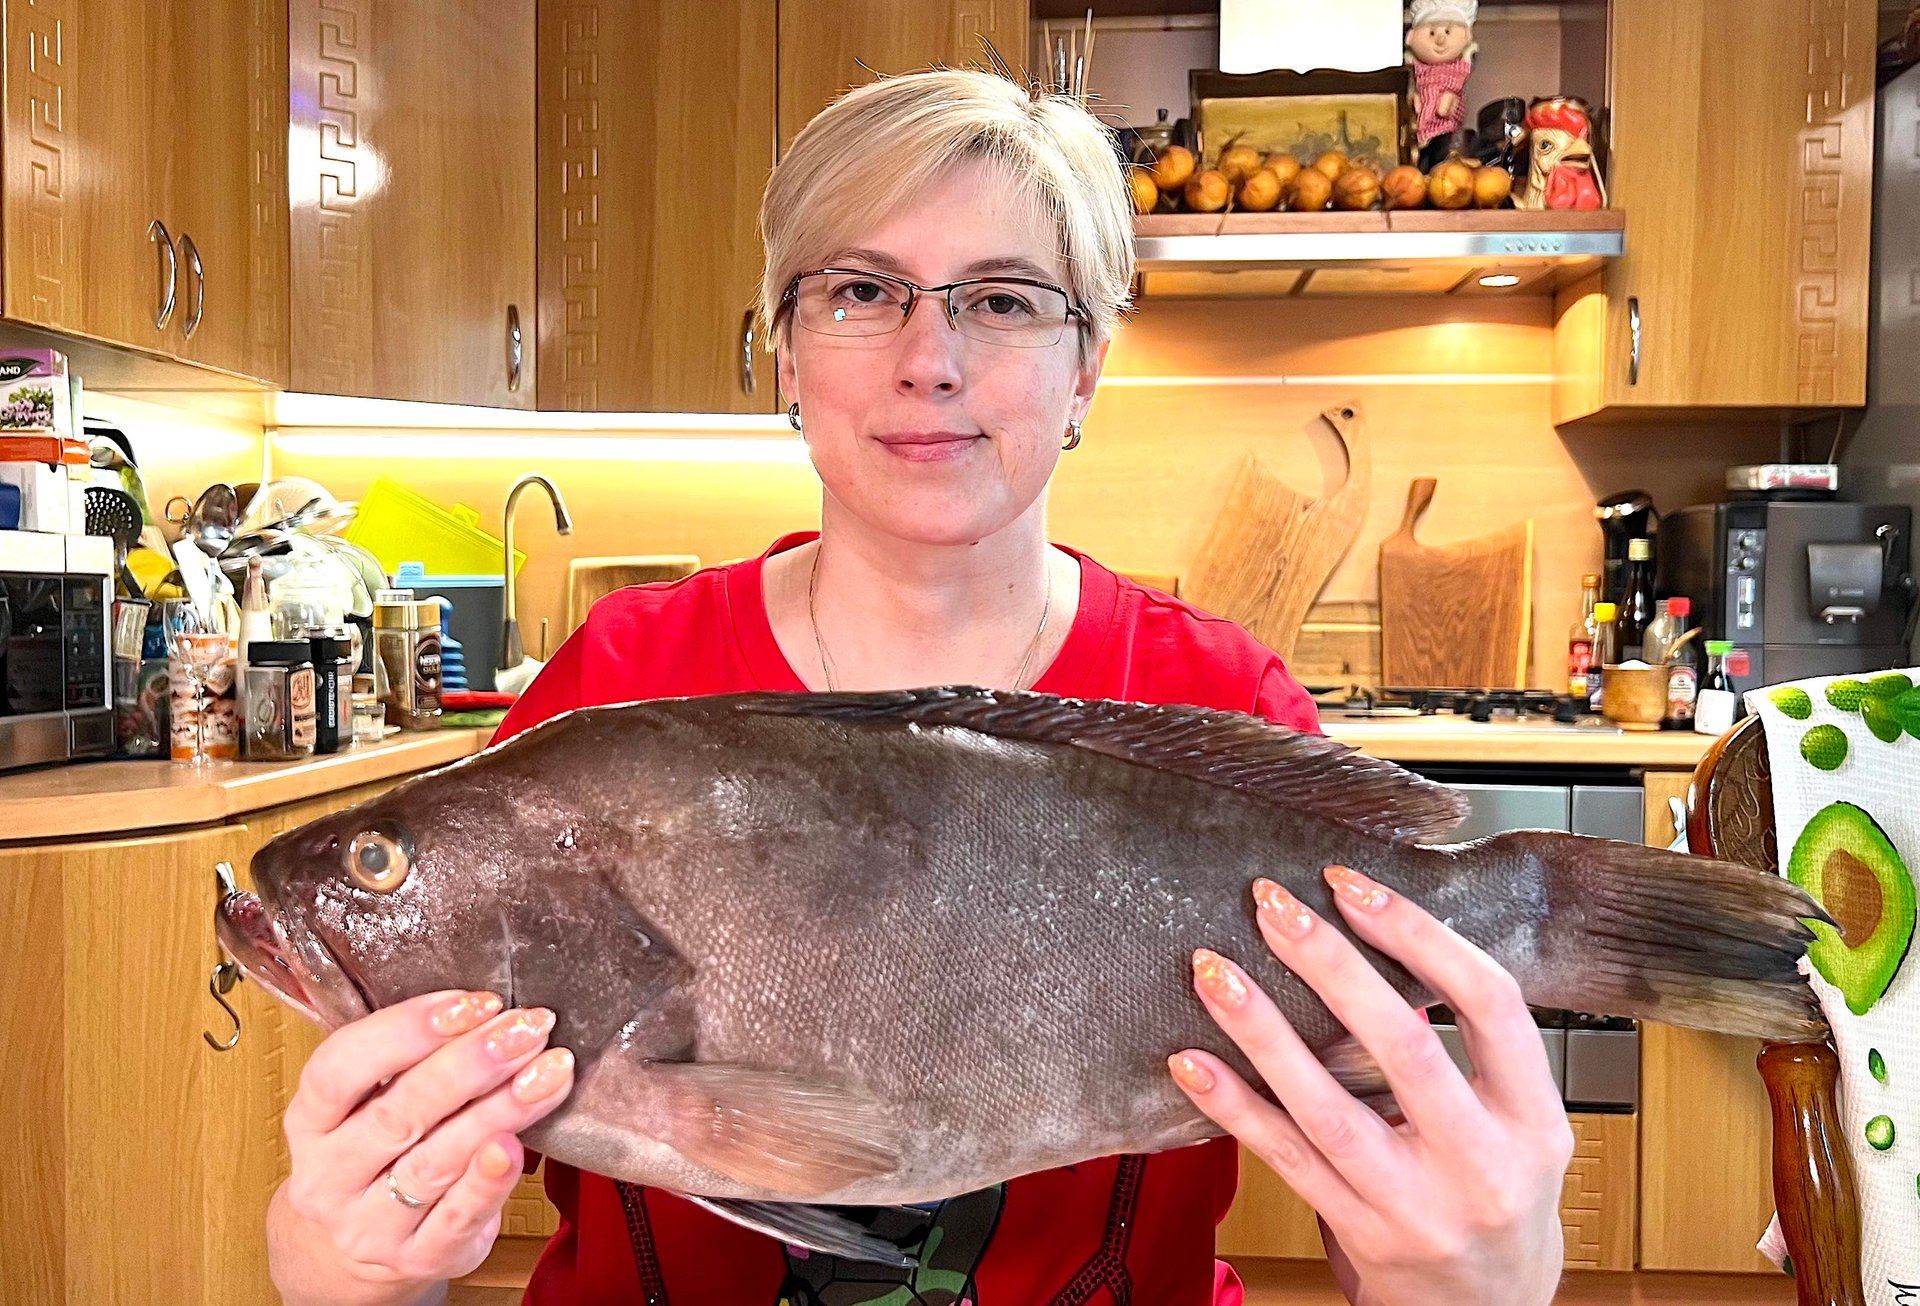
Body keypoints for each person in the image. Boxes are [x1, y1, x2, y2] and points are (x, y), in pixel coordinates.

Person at [264, 68, 1574, 1306]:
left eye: (1001, 300)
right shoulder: (616, 684)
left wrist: (1478, 1269)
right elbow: (401, 1248)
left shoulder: (1216, 698)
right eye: (860, 290)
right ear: (786, 354)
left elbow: (1393, 1232)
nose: (928, 358)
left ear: (1089, 365)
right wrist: (346, 1262)